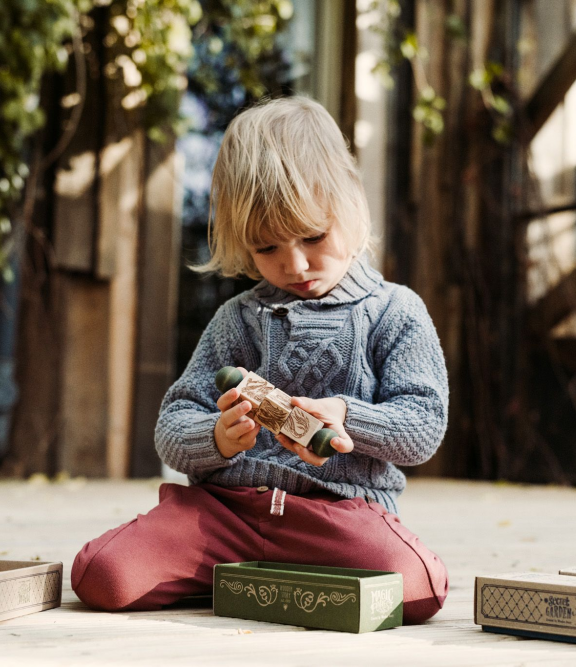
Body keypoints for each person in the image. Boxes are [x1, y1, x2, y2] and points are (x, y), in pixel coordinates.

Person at [71, 96, 449, 624]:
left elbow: (423, 426)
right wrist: (218, 439)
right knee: (100, 575)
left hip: (337, 515)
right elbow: (172, 425)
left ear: (352, 202)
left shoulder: (395, 311)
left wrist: (347, 416)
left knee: (415, 588)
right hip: (225, 512)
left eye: (313, 236)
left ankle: (247, 578)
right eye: (266, 248)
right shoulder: (238, 320)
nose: (295, 264)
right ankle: (256, 573)